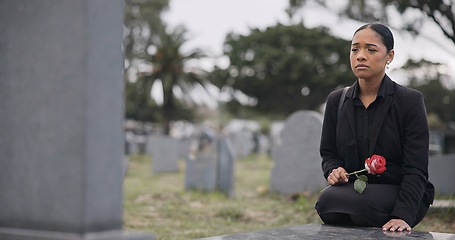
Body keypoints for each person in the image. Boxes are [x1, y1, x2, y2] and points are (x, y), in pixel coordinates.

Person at [315, 23, 434, 232]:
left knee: (357, 206)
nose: (360, 56)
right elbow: (328, 152)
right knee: (327, 201)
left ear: (390, 56)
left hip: (399, 192)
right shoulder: (337, 100)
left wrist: (402, 215)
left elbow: (416, 168)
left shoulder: (409, 101)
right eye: (355, 49)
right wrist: (334, 170)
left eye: (371, 49)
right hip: (352, 190)